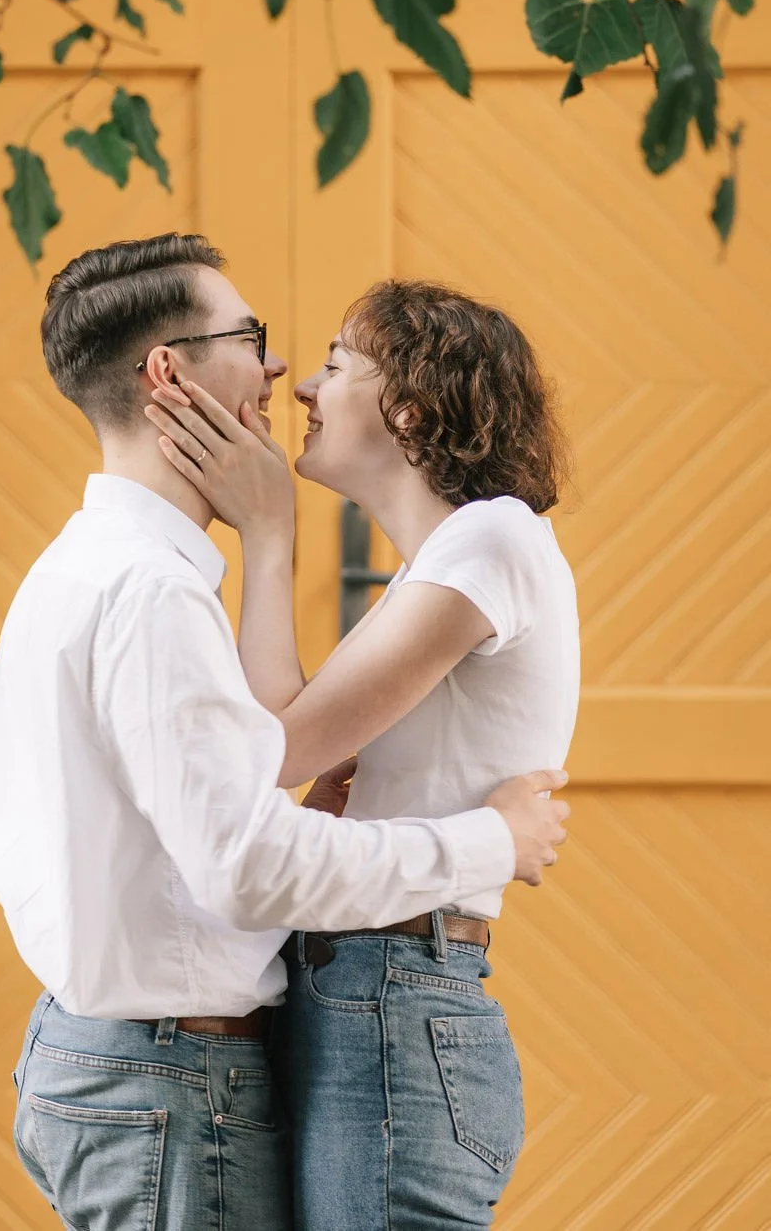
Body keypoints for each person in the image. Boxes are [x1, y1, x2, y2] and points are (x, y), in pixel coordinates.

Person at [0, 234, 569, 1231]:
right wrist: (489, 841)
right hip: (163, 1073)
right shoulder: (149, 591)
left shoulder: (87, 567)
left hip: (138, 1056)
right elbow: (245, 857)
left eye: (324, 358)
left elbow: (9, 809)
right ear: (168, 372)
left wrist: (105, 945)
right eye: (253, 338)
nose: (283, 372)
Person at [145, 277, 580, 1230]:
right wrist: (267, 541)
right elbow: (281, 736)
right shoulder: (444, 561)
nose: (302, 387)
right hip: (368, 988)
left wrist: (267, 528)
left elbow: (278, 745)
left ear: (410, 406)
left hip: (398, 994)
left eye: (337, 365)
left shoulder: (491, 538)